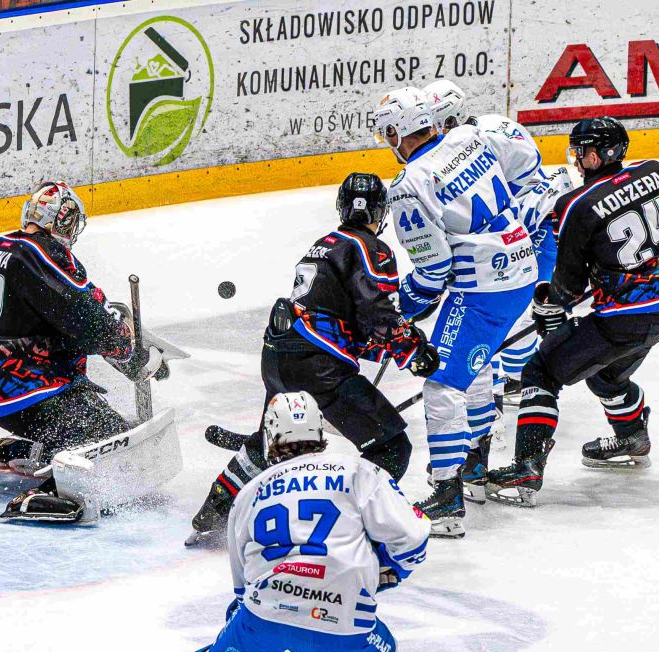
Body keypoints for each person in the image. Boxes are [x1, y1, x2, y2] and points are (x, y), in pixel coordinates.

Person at [101, 391, 431, 652]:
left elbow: (242, 581)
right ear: (320, 430)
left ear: (270, 437)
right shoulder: (359, 471)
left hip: (264, 617)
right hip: (342, 618)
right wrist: (390, 572)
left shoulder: (249, 492)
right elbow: (412, 539)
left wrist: (242, 617)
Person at [186, 173, 438, 545]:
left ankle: (213, 511)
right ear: (380, 212)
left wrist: (393, 345)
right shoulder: (371, 247)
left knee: (272, 442)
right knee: (391, 447)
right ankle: (339, 523)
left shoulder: (323, 245)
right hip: (318, 366)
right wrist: (412, 349)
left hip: (280, 356)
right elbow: (376, 314)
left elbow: (342, 323)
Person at [485, 117, 659, 506]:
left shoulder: (576, 205)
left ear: (596, 156)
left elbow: (568, 286)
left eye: (580, 153)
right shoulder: (653, 173)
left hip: (620, 322)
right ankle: (632, 438)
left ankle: (526, 469)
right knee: (606, 375)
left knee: (540, 371)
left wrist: (549, 301)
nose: (577, 161)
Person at [370, 86, 537, 536]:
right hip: (520, 270)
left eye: (388, 134)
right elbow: (524, 172)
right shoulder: (469, 138)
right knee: (474, 369)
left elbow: (434, 269)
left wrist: (399, 308)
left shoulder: (409, 186)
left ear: (397, 132)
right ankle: (475, 465)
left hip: (483, 290)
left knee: (442, 383)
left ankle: (446, 497)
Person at [421, 80, 573, 500]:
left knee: (495, 342)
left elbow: (539, 189)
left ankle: (484, 437)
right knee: (480, 351)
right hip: (499, 255)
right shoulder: (467, 143)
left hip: (523, 249)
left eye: (435, 125)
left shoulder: (492, 138)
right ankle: (478, 447)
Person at [0, 181, 143, 519]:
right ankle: (49, 492)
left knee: (86, 420)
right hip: (34, 397)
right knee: (113, 439)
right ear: (62, 220)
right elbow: (83, 316)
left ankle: (39, 446)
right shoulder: (39, 255)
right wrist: (123, 346)